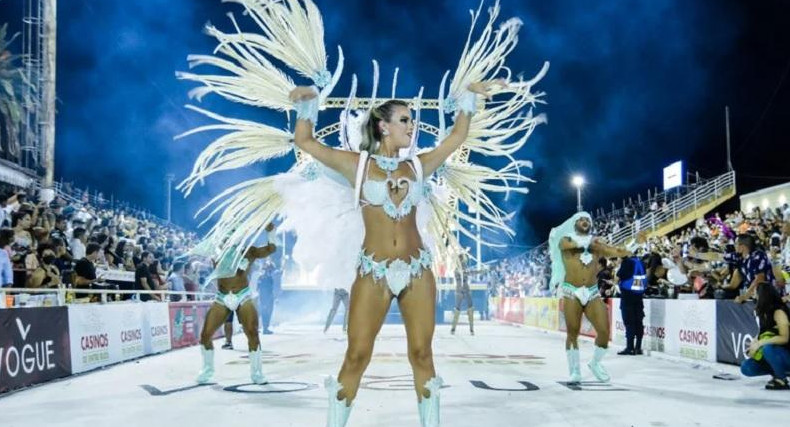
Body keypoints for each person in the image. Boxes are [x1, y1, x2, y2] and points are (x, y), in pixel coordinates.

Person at [549, 212, 634, 383]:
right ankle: (574, 371)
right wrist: (596, 243)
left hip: (592, 291)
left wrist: (635, 244)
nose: (585, 221)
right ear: (575, 223)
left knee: (604, 331)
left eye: (588, 220)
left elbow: (616, 251)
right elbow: (569, 246)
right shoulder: (565, 239)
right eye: (581, 219)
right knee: (572, 332)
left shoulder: (596, 243)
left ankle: (595, 363)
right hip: (571, 291)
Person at [195, 223, 277, 385]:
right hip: (222, 297)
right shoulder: (217, 252)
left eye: (232, 234)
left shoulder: (249, 251)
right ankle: (207, 370)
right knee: (205, 335)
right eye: (227, 234)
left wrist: (271, 233)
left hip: (243, 295)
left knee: (252, 333)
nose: (228, 237)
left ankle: (257, 373)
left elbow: (270, 249)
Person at [740, 282, 790, 389]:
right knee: (746, 367)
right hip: (777, 354)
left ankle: (781, 379)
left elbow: (785, 338)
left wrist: (760, 343)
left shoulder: (778, 312)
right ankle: (777, 371)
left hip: (786, 352)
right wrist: (754, 345)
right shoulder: (764, 313)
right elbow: (763, 334)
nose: (753, 296)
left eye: (755, 293)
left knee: (768, 349)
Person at [616, 254, 647, 355]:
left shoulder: (627, 262)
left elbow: (620, 275)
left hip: (628, 295)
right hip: (638, 295)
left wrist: (619, 265)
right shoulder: (641, 262)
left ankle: (630, 347)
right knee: (638, 321)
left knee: (629, 322)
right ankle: (638, 347)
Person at [450, 252, 475, 336]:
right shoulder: (457, 269)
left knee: (470, 308)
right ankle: (453, 328)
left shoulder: (463, 269)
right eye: (463, 261)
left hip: (464, 289)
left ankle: (471, 329)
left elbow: (470, 273)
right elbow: (466, 273)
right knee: (457, 309)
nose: (464, 263)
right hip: (460, 290)